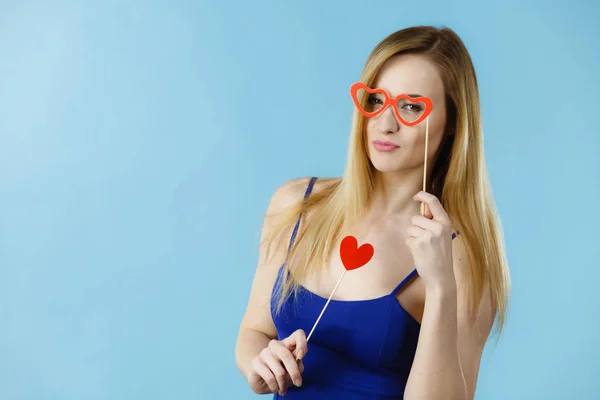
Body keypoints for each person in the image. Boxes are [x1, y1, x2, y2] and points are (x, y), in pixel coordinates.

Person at [235, 25, 510, 399]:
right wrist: (261, 363)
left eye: (412, 107)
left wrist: (441, 287)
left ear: (452, 124)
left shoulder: (461, 256)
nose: (385, 123)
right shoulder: (296, 204)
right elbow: (254, 332)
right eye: (376, 100)